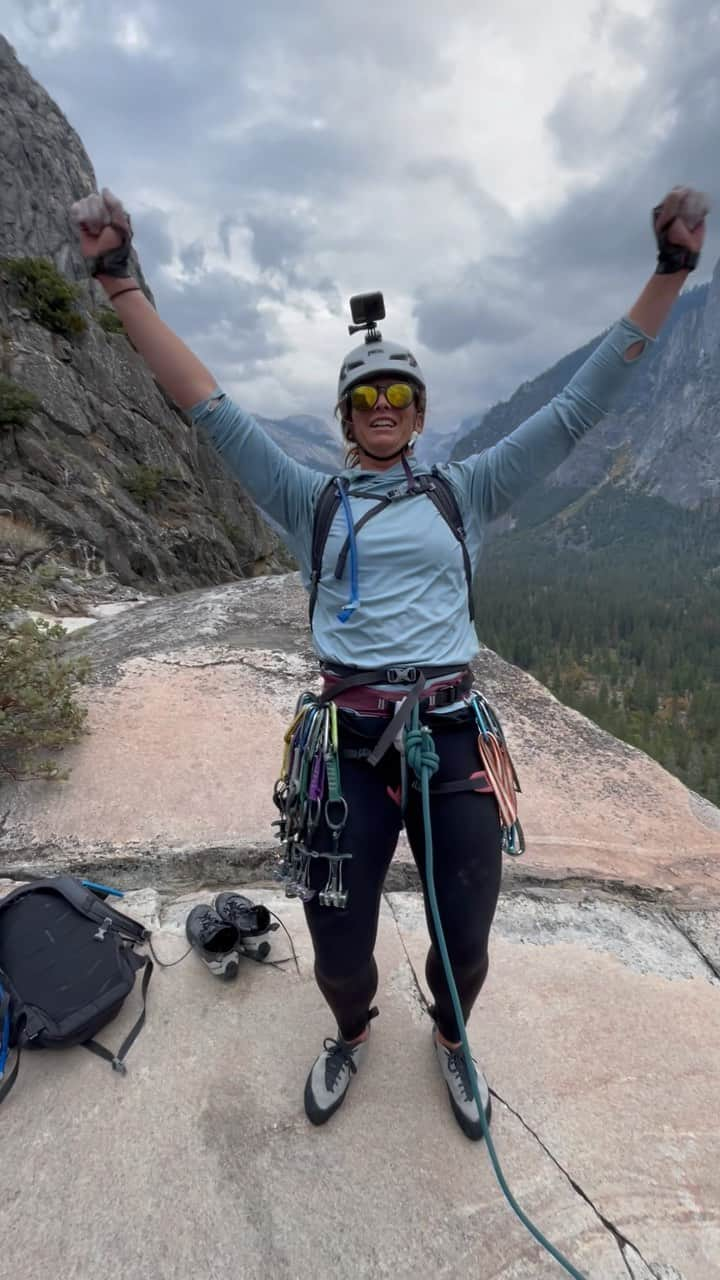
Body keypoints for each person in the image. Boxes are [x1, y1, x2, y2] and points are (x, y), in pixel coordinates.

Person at [71, 185, 708, 1139]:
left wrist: (669, 274)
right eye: (365, 396)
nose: (381, 406)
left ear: (417, 410)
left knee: (468, 942)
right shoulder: (308, 498)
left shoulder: (468, 487)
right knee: (336, 946)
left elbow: (579, 409)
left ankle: (452, 1039)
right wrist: (120, 280)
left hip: (451, 738)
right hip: (345, 744)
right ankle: (352, 1029)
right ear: (345, 413)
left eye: (397, 394)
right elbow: (206, 403)